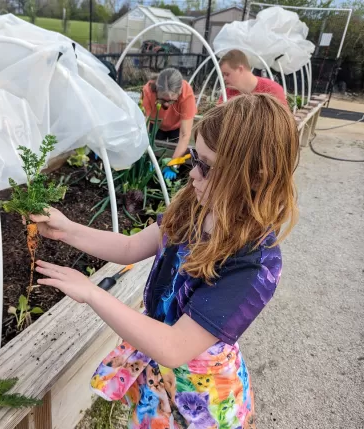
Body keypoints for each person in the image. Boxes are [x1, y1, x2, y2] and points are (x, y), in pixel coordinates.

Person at [31, 94, 299, 429]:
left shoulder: (254, 263)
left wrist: (93, 293)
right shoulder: (195, 207)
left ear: (256, 177)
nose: (192, 175)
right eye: (193, 159)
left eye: (206, 166)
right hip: (158, 372)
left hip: (201, 400)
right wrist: (67, 230)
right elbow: (131, 247)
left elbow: (174, 347)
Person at [141, 68, 197, 160]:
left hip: (176, 126)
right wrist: (147, 158)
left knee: (176, 151)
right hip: (155, 124)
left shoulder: (186, 94)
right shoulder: (147, 91)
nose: (166, 104)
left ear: (179, 92)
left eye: (171, 101)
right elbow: (144, 129)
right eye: (162, 100)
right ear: (157, 90)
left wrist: (173, 163)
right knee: (154, 152)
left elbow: (185, 134)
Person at [218, 49, 288, 107]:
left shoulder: (272, 90)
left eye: (227, 74)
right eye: (223, 75)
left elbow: (283, 121)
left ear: (240, 69)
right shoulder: (228, 93)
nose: (224, 78)